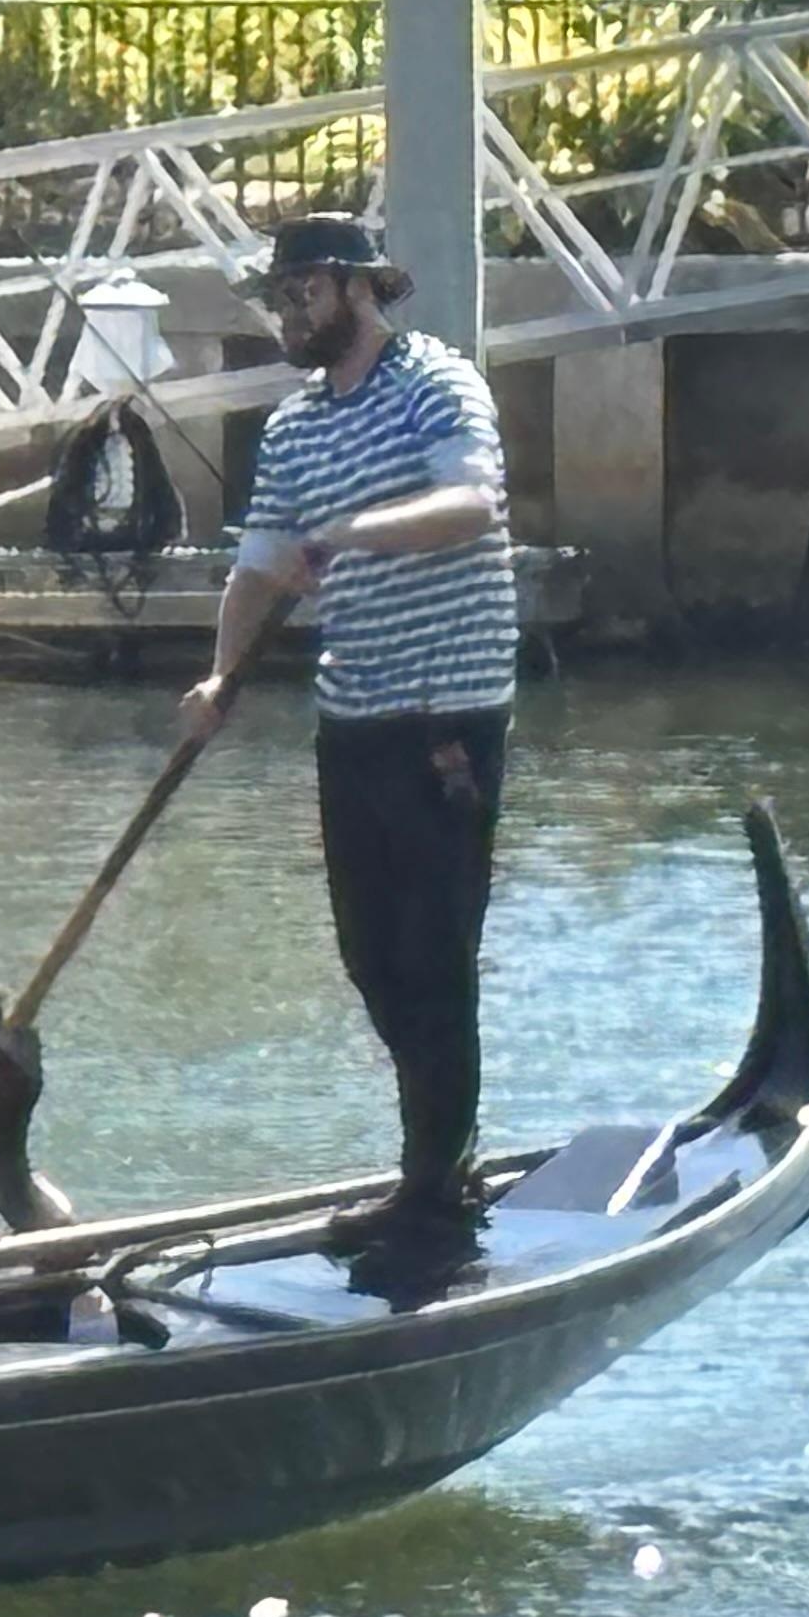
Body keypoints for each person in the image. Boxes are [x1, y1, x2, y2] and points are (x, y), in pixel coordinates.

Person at [179, 212, 521, 1297]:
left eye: (300, 296)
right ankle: (433, 1169)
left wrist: (352, 531)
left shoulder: (435, 384)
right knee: (373, 959)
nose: (285, 315)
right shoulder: (292, 428)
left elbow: (470, 504)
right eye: (277, 300)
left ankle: (435, 1195)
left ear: (356, 288)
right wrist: (222, 678)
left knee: (434, 958)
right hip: (353, 720)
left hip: (445, 720)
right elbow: (262, 564)